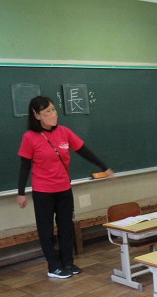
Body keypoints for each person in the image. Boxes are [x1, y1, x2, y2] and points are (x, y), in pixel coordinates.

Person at [17, 96, 114, 279]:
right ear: (37, 115)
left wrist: (104, 167)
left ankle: (67, 262)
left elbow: (84, 151)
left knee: (66, 227)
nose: (53, 114)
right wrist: (20, 193)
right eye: (48, 111)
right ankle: (54, 266)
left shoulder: (64, 132)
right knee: (46, 230)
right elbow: (24, 166)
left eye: (54, 109)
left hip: (63, 188)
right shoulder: (29, 137)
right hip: (43, 191)